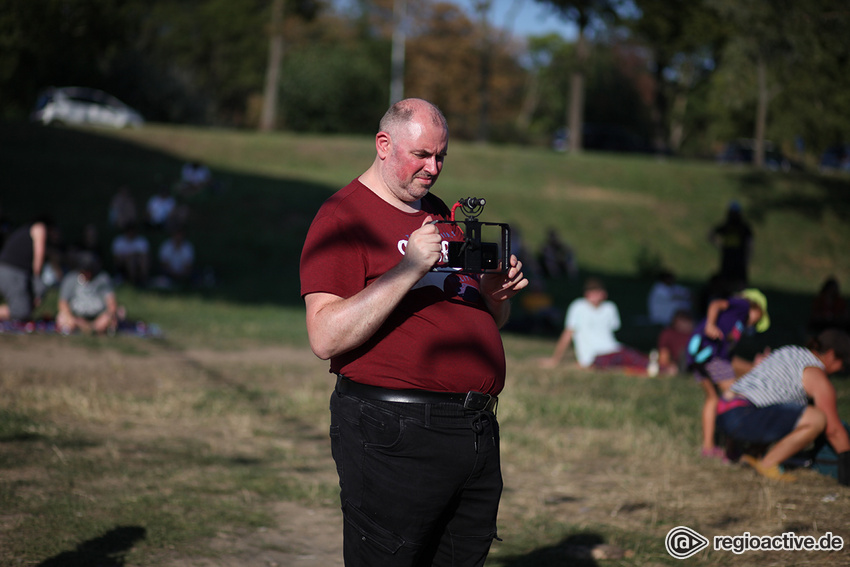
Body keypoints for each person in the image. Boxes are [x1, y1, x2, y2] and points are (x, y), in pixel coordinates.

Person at [300, 98, 528, 567]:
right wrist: (408, 268)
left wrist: (494, 296)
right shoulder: (343, 216)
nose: (433, 168)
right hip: (394, 434)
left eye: (441, 156)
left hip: (473, 429)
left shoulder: (440, 213)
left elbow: (484, 320)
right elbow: (324, 336)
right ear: (384, 145)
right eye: (421, 155)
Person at [717, 329, 850, 484]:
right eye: (843, 365)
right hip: (743, 414)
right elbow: (833, 430)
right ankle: (768, 464)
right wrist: (846, 462)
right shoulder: (815, 372)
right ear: (831, 355)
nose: (841, 370)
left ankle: (751, 454)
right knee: (817, 418)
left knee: (787, 410)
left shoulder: (789, 352)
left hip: (725, 410)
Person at [687, 288, 769, 460]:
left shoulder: (733, 325)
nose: (753, 323)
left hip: (699, 356)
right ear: (757, 308)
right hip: (710, 355)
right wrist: (710, 324)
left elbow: (730, 359)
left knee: (712, 398)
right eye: (757, 319)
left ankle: (708, 447)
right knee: (734, 397)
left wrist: (754, 366)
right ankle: (731, 451)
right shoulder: (743, 306)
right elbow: (716, 303)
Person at [541, 277, 654, 375]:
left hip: (614, 349)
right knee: (622, 365)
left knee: (636, 358)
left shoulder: (610, 307)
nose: (593, 295)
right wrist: (555, 359)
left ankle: (661, 366)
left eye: (596, 291)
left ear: (603, 293)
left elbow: (612, 331)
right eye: (591, 291)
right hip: (594, 356)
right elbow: (568, 333)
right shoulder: (578, 306)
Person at [0, 217, 54, 321]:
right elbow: (39, 255)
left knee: (25, 309)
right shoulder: (39, 228)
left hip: (14, 271)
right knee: (21, 312)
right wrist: (37, 279)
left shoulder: (26, 231)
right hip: (13, 271)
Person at [56, 253, 119, 335]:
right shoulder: (70, 279)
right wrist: (73, 319)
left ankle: (96, 329)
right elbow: (62, 303)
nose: (87, 274)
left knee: (114, 318)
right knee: (62, 318)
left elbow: (111, 304)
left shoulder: (102, 279)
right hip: (76, 318)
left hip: (98, 317)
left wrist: (104, 318)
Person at [709, 201, 753, 289]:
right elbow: (711, 234)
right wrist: (719, 245)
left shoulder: (743, 227)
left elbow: (750, 243)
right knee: (726, 279)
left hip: (739, 257)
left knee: (739, 280)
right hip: (728, 256)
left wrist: (747, 257)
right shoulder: (727, 226)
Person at [656, 309, 694, 376]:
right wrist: (669, 365)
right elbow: (663, 355)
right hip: (679, 364)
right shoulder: (668, 334)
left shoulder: (696, 334)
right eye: (683, 320)